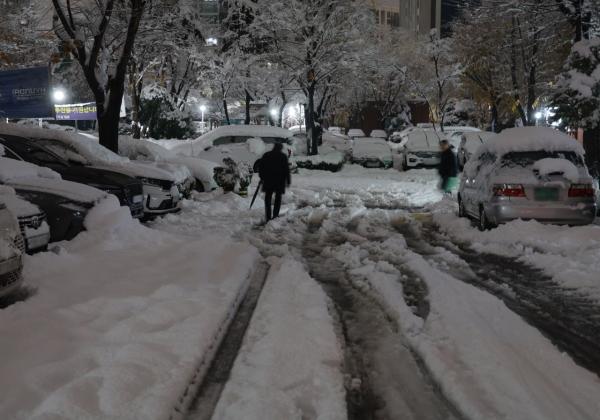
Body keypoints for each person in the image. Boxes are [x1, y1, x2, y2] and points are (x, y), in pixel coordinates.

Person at [255, 143, 291, 221]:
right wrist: (288, 181)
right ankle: (275, 215)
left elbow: (261, 167)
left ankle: (268, 216)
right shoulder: (283, 156)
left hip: (268, 181)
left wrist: (262, 177)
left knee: (268, 198)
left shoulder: (266, 155)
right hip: (279, 181)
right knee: (278, 198)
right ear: (280, 148)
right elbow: (286, 170)